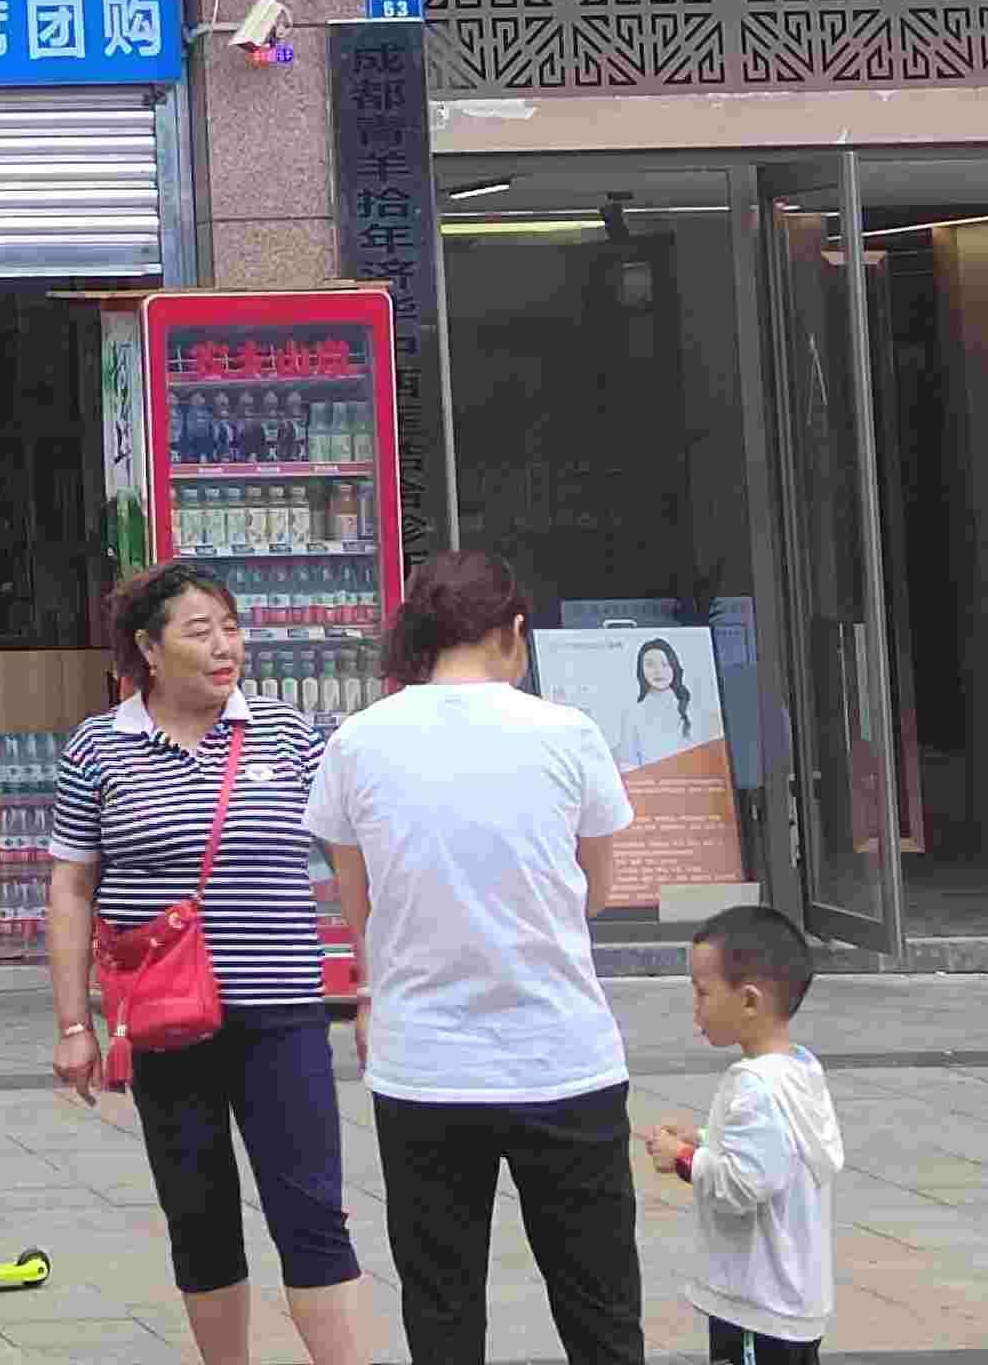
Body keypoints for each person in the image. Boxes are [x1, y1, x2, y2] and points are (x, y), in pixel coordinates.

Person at [306, 548, 642, 1365]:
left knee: (442, 1307)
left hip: (423, 1067)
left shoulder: (359, 741)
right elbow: (596, 892)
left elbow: (360, 909)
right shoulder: (567, 733)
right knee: (599, 1308)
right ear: (513, 632)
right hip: (563, 1059)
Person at [49, 563, 365, 1365]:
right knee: (199, 1219)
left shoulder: (289, 733)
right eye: (200, 631)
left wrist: (373, 984)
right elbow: (72, 886)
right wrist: (74, 1024)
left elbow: (349, 860)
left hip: (284, 1016)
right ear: (150, 650)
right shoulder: (98, 745)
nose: (226, 648)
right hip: (165, 1020)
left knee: (313, 1216)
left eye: (231, 628)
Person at [645, 907, 840, 1365]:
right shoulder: (799, 1070)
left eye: (702, 992)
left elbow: (743, 1184)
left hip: (759, 1307)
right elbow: (778, 1150)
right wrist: (705, 1138)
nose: (695, 1007)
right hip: (792, 1300)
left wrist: (682, 1157)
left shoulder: (755, 1085)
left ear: (750, 1001)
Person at [618, 642, 705, 774]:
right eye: (650, 665)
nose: (658, 671)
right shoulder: (632, 714)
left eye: (664, 664)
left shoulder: (692, 709)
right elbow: (627, 764)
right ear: (641, 670)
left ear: (674, 667)